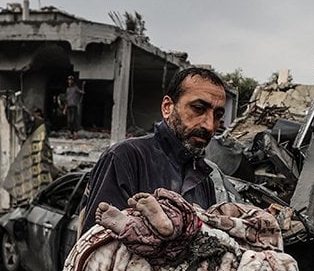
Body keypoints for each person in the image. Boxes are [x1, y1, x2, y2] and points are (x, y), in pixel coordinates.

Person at [77, 66, 232, 232]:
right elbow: (98, 242)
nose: (210, 125)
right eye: (198, 108)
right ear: (167, 107)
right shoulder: (125, 158)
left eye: (218, 115)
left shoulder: (204, 177)